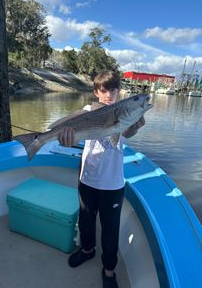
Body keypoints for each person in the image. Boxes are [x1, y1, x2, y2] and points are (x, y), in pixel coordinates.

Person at [58, 71, 145, 288]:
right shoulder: (88, 111)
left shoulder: (122, 113)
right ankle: (87, 250)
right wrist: (64, 139)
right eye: (103, 90)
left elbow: (128, 133)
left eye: (113, 90)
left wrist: (134, 122)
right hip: (87, 178)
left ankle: (109, 270)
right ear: (96, 92)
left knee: (110, 229)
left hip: (112, 184)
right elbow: (70, 130)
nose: (108, 95)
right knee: (86, 220)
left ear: (119, 91)